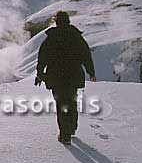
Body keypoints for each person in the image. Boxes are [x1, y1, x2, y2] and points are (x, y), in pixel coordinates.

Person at [35, 11, 96, 145]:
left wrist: (40, 74)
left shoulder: (51, 38)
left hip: (56, 77)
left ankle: (65, 134)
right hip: (73, 76)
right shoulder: (76, 37)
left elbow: (42, 58)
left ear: (56, 22)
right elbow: (86, 55)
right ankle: (72, 128)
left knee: (61, 104)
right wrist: (91, 72)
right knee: (72, 101)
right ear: (68, 21)